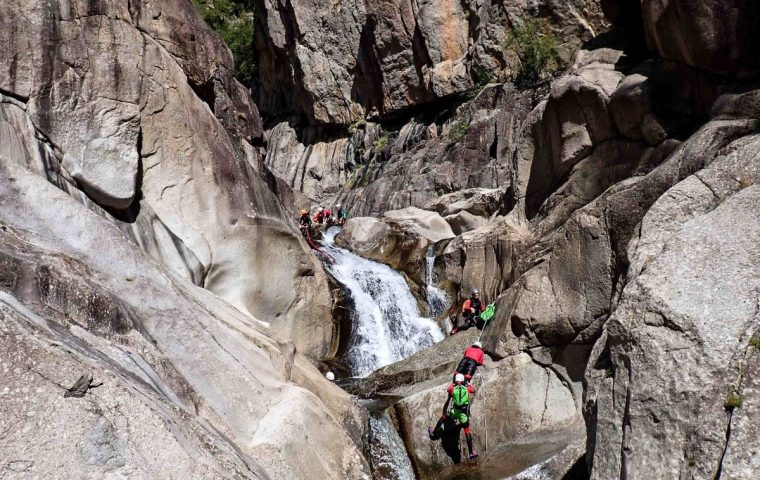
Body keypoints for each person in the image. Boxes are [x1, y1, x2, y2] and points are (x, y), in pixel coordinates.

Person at [428, 373, 478, 460]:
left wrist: (453, 383)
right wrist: (467, 383)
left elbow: (448, 389)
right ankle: (471, 453)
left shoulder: (452, 388)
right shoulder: (467, 388)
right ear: (463, 381)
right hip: (463, 413)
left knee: (444, 417)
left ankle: (434, 433)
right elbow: (473, 390)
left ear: (456, 381)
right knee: (467, 431)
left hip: (455, 411)